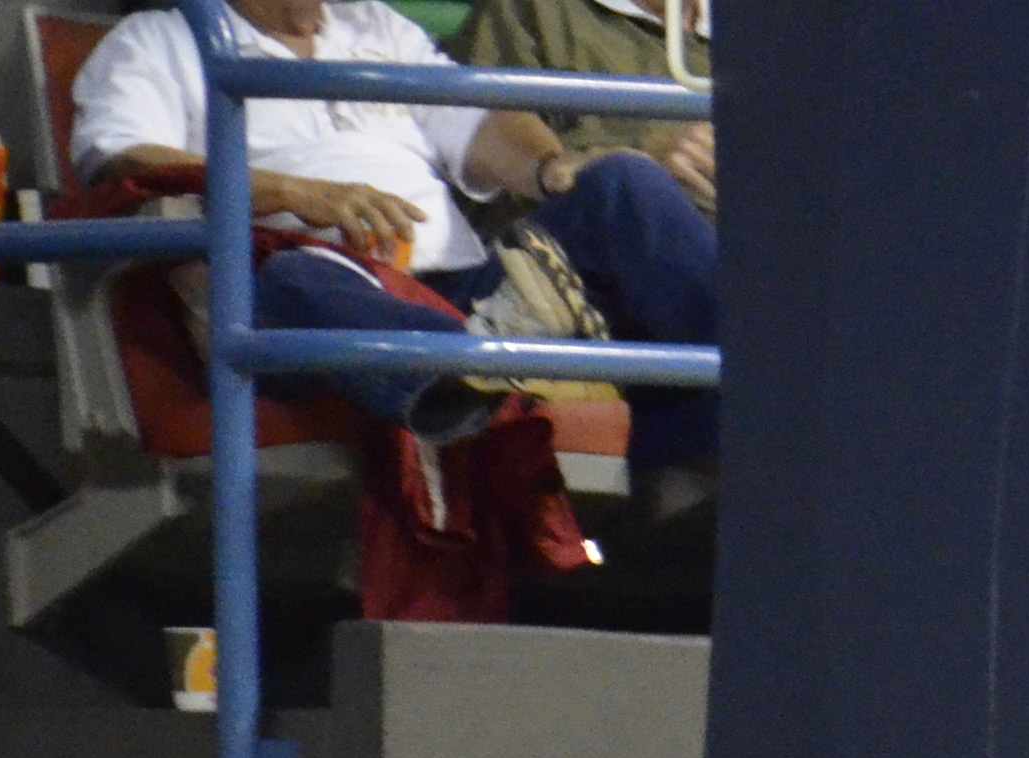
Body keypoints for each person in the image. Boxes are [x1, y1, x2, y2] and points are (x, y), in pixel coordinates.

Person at [73, 0, 721, 479]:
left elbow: (479, 123)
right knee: (294, 279)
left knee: (624, 182)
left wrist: (555, 170)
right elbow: (128, 162)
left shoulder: (376, 28)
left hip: (471, 292)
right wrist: (302, 198)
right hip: (301, 283)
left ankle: (765, 394)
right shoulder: (162, 39)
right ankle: (462, 380)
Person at [458, 0, 714, 213]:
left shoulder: (747, 34)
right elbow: (484, 147)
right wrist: (646, 163)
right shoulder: (535, 9)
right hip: (588, 241)